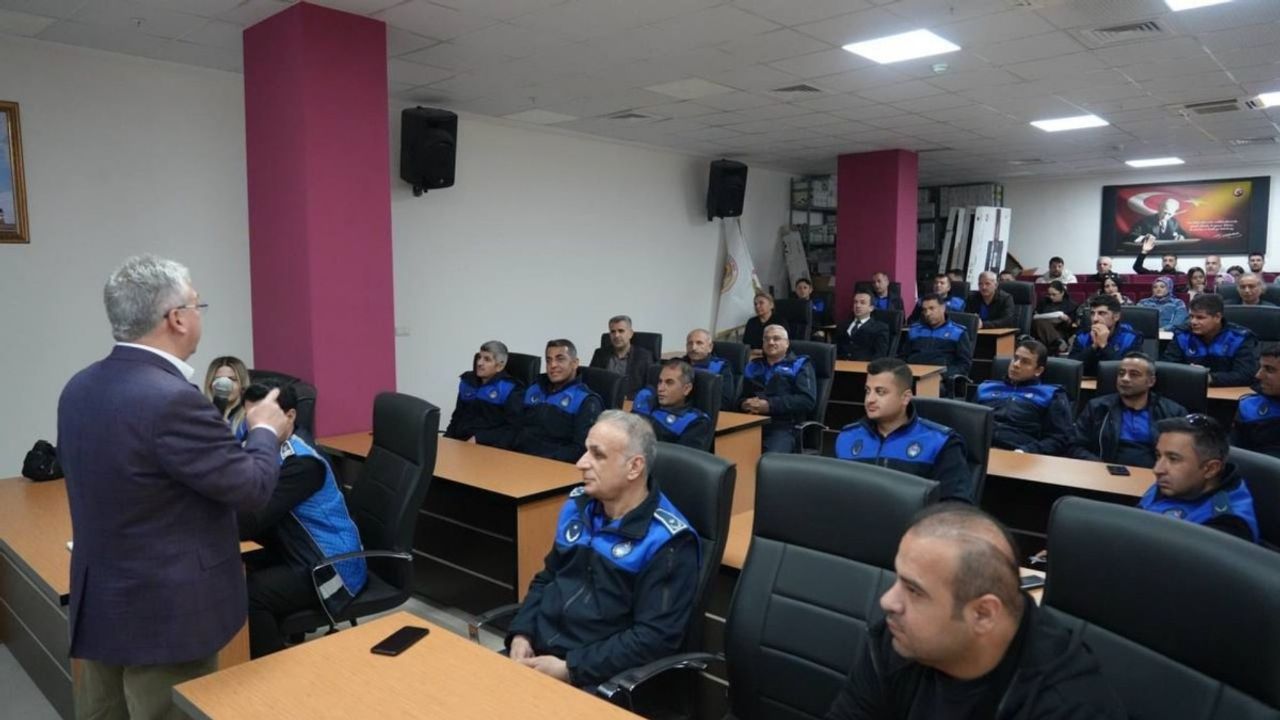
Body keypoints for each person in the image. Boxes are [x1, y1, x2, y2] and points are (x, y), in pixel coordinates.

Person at [57, 255, 291, 718]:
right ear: (177, 318)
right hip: (167, 613)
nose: (200, 314)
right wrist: (264, 430)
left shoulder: (79, 387)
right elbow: (251, 488)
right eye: (197, 304)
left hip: (104, 598)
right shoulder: (173, 400)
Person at [824, 504, 1126, 720]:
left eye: (914, 590)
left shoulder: (1068, 707)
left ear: (983, 614)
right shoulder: (895, 640)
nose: (888, 601)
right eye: (898, 580)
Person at [505, 411, 698, 687]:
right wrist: (521, 633)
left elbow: (654, 638)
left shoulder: (667, 540)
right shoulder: (577, 506)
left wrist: (570, 668)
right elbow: (547, 578)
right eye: (586, 450)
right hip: (539, 655)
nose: (581, 463)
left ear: (634, 467)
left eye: (597, 455)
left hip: (595, 677)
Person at [237, 383, 366, 658]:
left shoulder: (303, 463)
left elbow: (253, 519)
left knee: (248, 593)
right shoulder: (271, 449)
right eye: (252, 419)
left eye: (265, 418)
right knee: (231, 570)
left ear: (290, 416)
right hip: (296, 550)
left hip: (332, 568)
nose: (256, 428)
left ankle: (272, 670)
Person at [834, 358, 971, 501]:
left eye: (880, 392)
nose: (870, 399)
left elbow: (956, 506)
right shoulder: (847, 438)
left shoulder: (940, 443)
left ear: (905, 397)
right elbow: (836, 496)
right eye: (868, 391)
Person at [1141, 415, 1259, 543]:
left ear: (1210, 469)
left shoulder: (1227, 526)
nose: (1157, 469)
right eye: (1158, 456)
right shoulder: (1174, 483)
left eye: (1173, 459)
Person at [1069, 352, 1189, 467]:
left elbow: (1186, 454)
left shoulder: (1173, 413)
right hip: (1104, 475)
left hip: (1155, 476)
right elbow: (1075, 445)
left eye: (1134, 374)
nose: (1125, 379)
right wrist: (1098, 465)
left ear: (1151, 381)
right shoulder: (1098, 408)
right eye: (1121, 373)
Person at [510, 339, 604, 462]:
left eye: (560, 359)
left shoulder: (586, 400)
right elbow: (515, 428)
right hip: (519, 459)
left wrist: (541, 458)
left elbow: (581, 449)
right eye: (549, 360)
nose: (553, 365)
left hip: (555, 465)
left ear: (574, 363)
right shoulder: (534, 389)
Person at [974, 340, 1073, 455]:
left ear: (1038, 370)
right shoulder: (985, 388)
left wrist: (1027, 451)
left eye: (1025, 362)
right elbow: (968, 423)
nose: (1016, 364)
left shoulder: (1050, 395)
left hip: (1020, 453)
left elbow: (1059, 438)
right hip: (980, 449)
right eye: (1015, 358)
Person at [740, 324, 816, 453]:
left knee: (768, 459)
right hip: (751, 422)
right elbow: (739, 398)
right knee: (727, 451)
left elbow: (807, 401)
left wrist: (769, 405)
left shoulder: (800, 365)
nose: (770, 342)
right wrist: (744, 404)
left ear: (787, 343)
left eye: (776, 338)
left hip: (784, 427)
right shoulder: (753, 365)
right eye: (766, 339)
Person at [1162, 293, 1260, 387]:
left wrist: (1208, 377)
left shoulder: (1240, 337)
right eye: (1191, 316)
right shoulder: (1182, 335)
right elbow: (1167, 368)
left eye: (1200, 317)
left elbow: (1246, 374)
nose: (1193, 322)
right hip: (1189, 390)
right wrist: (1189, 373)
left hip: (1227, 394)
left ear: (1217, 317)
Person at [444, 340, 523, 446]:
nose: (479, 363)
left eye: (487, 359)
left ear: (499, 366)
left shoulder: (511, 389)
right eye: (479, 357)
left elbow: (513, 429)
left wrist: (480, 439)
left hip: (487, 446)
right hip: (460, 443)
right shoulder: (467, 381)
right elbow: (457, 417)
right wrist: (446, 440)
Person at [630, 359, 712, 451]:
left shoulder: (695, 422)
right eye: (660, 382)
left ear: (686, 389)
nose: (660, 388)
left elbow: (681, 458)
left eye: (669, 383)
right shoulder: (646, 399)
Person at [902, 293, 972, 393]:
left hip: (941, 380)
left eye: (932, 308)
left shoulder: (958, 332)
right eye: (924, 310)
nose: (927, 313)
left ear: (943, 308)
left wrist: (943, 375)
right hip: (912, 376)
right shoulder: (914, 331)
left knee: (928, 386)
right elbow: (903, 357)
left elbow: (964, 364)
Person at [1068, 294, 1143, 376]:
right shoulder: (1082, 337)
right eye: (1092, 313)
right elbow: (1072, 369)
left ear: (1116, 317)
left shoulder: (1131, 338)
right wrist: (1093, 346)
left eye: (1101, 313)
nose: (1095, 319)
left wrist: (1104, 346)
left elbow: (1129, 372)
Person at [1230, 342, 1280, 457]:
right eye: (1260, 367)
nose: (1258, 375)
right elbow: (1235, 455)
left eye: (1269, 369)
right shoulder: (1249, 407)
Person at [589, 315, 655, 399]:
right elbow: (591, 381)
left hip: (630, 402)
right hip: (604, 400)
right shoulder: (600, 354)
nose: (616, 335)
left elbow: (650, 387)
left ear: (630, 333)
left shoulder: (644, 357)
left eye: (621, 331)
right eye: (613, 331)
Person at [682, 328, 736, 411]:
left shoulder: (721, 366)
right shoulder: (678, 364)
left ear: (710, 347)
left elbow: (725, 401)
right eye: (690, 343)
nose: (693, 348)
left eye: (699, 343)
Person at [835, 290, 891, 361]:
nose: (858, 306)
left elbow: (880, 356)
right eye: (855, 302)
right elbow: (834, 350)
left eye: (862, 303)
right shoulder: (842, 326)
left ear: (871, 308)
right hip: (840, 365)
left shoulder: (880, 328)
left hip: (864, 366)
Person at [203, 355, 250, 438]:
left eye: (232, 379)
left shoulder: (250, 419)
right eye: (218, 379)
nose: (224, 384)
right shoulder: (201, 415)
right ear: (210, 384)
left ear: (242, 384)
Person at [1031, 280, 1076, 354]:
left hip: (1061, 330)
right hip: (1042, 329)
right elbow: (1035, 314)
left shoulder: (1071, 305)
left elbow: (1073, 324)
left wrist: (1067, 319)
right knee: (1038, 322)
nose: (1051, 297)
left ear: (1062, 293)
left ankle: (1058, 342)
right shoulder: (1044, 302)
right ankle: (1058, 342)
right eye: (1049, 294)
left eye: (1054, 294)